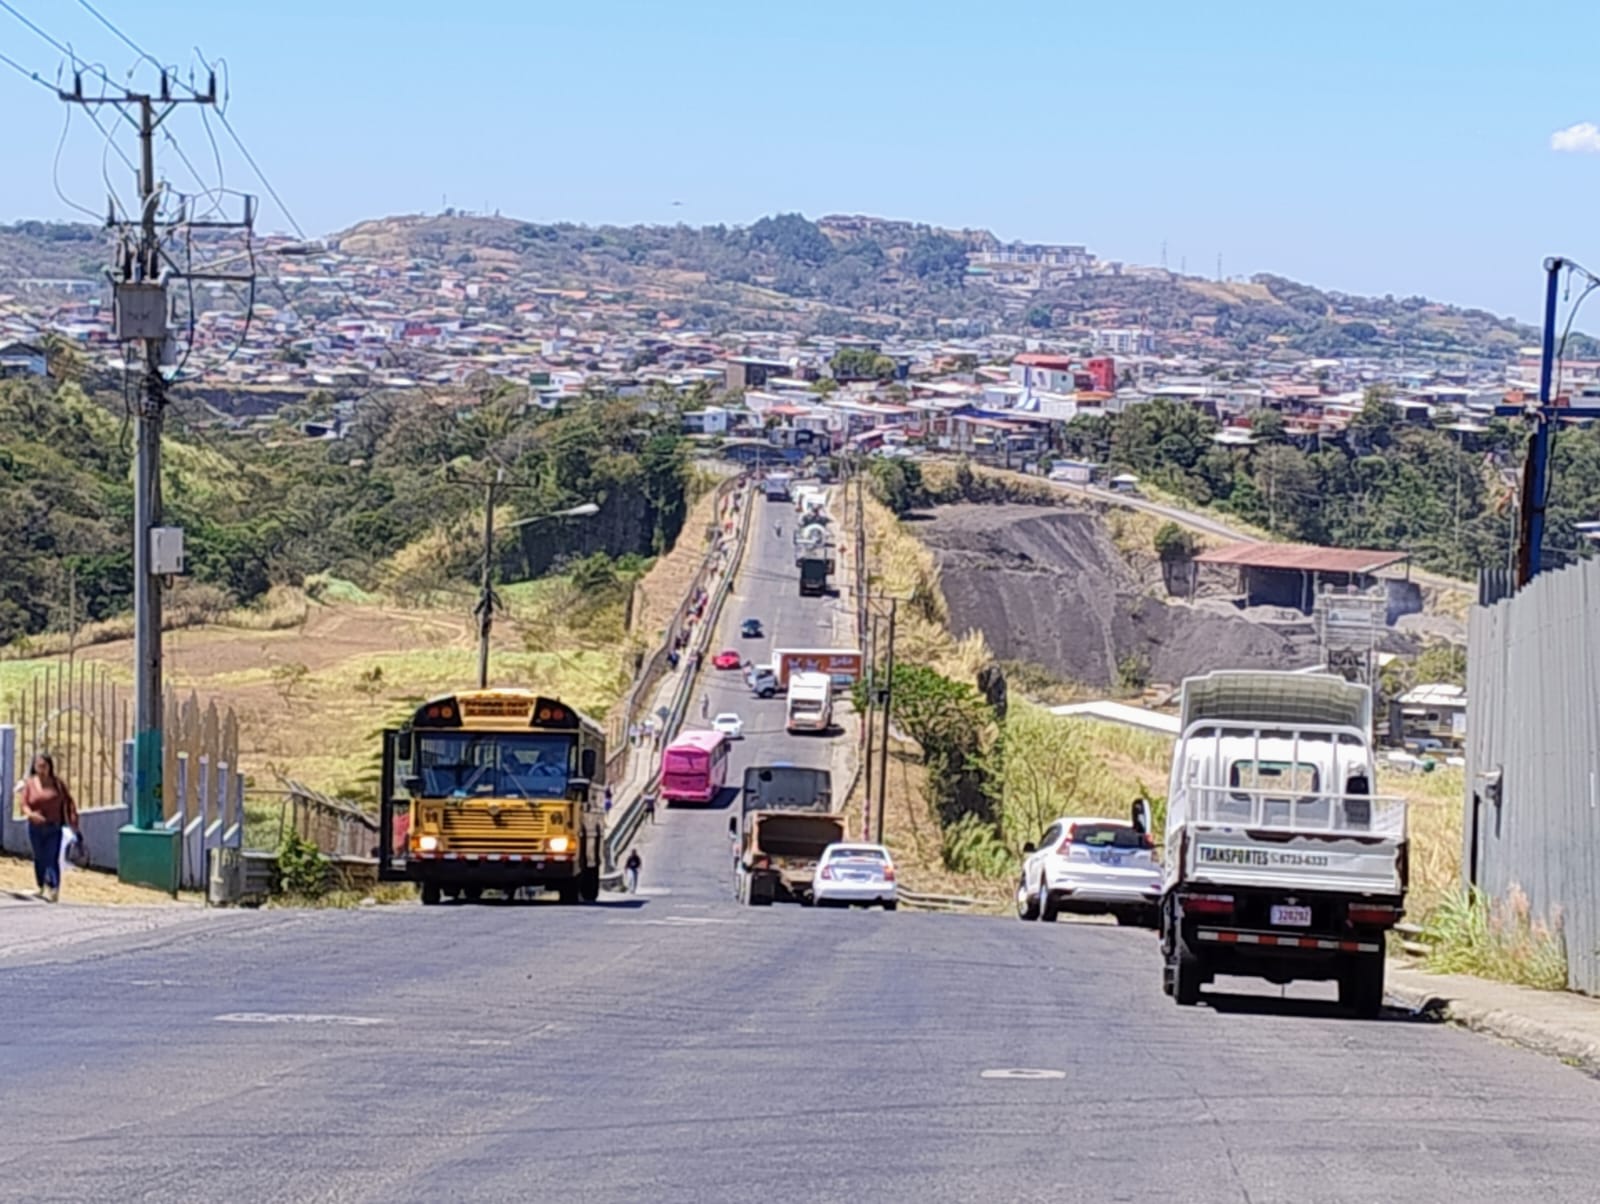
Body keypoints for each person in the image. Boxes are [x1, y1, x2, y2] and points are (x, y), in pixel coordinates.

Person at [18, 753, 77, 903]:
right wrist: (30, 814)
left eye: (45, 766)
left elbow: (68, 801)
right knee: (39, 857)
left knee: (51, 857)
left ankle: (54, 887)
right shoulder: (30, 784)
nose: (42, 769)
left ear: (50, 767)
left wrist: (73, 820)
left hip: (53, 827)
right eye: (39, 766)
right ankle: (41, 884)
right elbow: (24, 803)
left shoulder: (57, 784)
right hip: (35, 827)